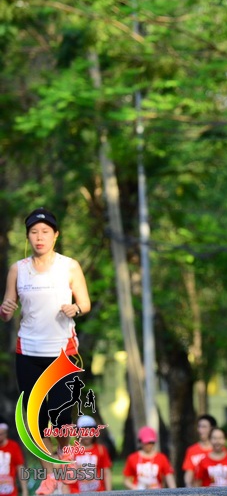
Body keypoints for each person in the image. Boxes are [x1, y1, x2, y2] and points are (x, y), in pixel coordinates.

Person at [0, 208, 91, 495]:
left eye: (45, 232)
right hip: (28, 350)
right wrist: (5, 309)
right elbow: (7, 310)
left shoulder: (69, 266)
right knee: (36, 420)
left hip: (63, 350)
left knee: (62, 416)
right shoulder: (18, 269)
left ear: (55, 235)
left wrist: (75, 308)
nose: (39, 237)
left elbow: (85, 303)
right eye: (34, 232)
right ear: (28, 236)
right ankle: (49, 477)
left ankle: (65, 454)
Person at [67, 415, 112, 493]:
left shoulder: (101, 450)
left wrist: (109, 492)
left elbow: (106, 472)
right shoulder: (71, 451)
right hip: (77, 493)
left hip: (98, 492)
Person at [181, 414, 216, 487]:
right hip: (197, 489)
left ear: (212, 429)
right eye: (199, 427)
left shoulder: (218, 450)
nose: (200, 430)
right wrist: (188, 488)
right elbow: (189, 473)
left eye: (204, 427)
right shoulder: (192, 450)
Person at [0, 422, 28, 496]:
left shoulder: (13, 446)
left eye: (1, 434)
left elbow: (20, 468)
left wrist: (25, 491)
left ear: (6, 434)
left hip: (10, 491)